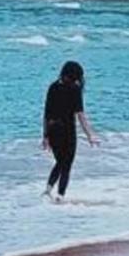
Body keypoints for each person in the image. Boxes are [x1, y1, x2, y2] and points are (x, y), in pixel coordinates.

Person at [42, 61, 100, 203]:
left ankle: (48, 190)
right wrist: (90, 135)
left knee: (60, 162)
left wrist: (45, 136)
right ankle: (60, 196)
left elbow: (46, 114)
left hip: (53, 130)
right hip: (67, 131)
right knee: (66, 165)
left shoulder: (53, 87)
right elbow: (80, 116)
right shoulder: (75, 89)